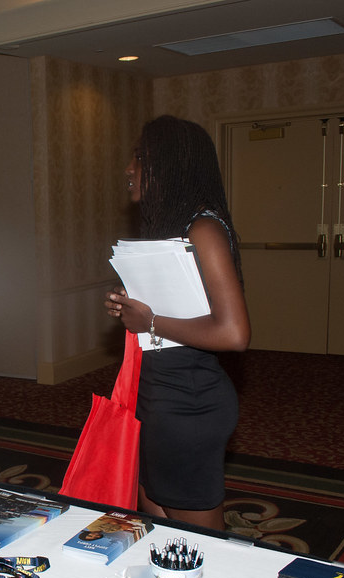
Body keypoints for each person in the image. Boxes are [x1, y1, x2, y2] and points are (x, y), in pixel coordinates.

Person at [105, 115, 250, 531]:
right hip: (159, 397)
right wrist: (128, 311)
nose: (129, 169)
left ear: (169, 164)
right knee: (161, 535)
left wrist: (150, 320)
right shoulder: (172, 227)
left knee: (202, 546)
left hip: (191, 403)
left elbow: (234, 333)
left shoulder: (203, 229)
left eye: (140, 158)